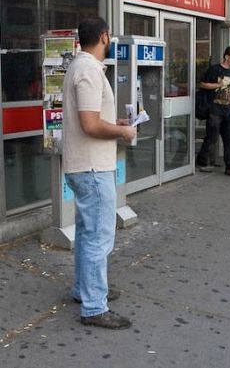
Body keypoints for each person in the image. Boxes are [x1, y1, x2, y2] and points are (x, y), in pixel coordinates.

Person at [63, 17, 137, 329]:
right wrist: (124, 133)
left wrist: (116, 123)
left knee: (85, 233)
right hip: (93, 168)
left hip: (83, 166)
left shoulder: (79, 67)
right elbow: (90, 125)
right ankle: (95, 307)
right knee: (98, 237)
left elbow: (93, 118)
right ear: (104, 36)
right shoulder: (90, 70)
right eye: (110, 37)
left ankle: (85, 291)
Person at [196, 46, 230, 177]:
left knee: (229, 138)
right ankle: (203, 162)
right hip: (214, 108)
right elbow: (203, 84)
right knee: (212, 137)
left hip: (227, 108)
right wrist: (218, 85)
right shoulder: (214, 69)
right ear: (226, 56)